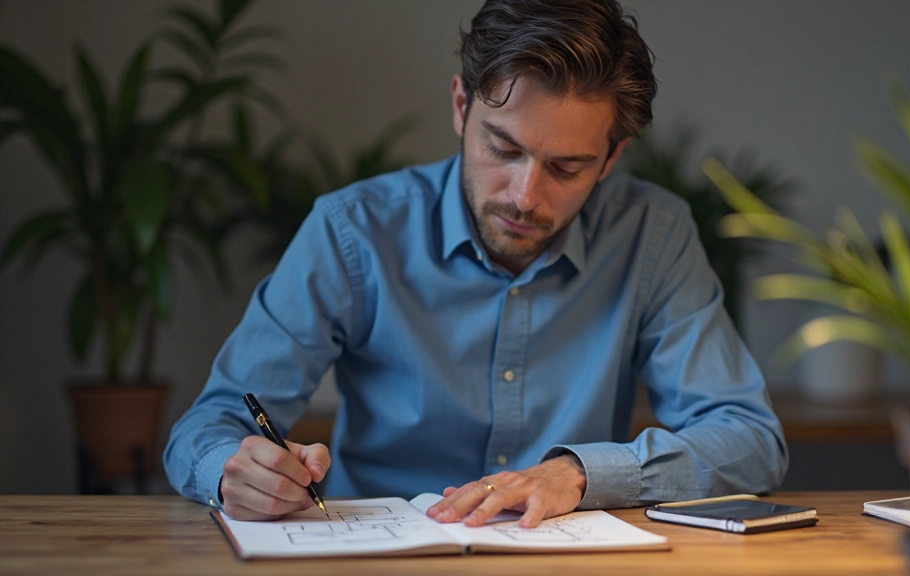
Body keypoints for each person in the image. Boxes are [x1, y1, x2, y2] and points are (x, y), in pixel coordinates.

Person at [164, 0, 788, 529]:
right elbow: (211, 423)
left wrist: (577, 473)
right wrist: (231, 471)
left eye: (566, 168)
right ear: (462, 107)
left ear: (611, 157)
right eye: (503, 147)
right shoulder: (353, 230)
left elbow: (748, 439)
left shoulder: (654, 234)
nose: (523, 194)